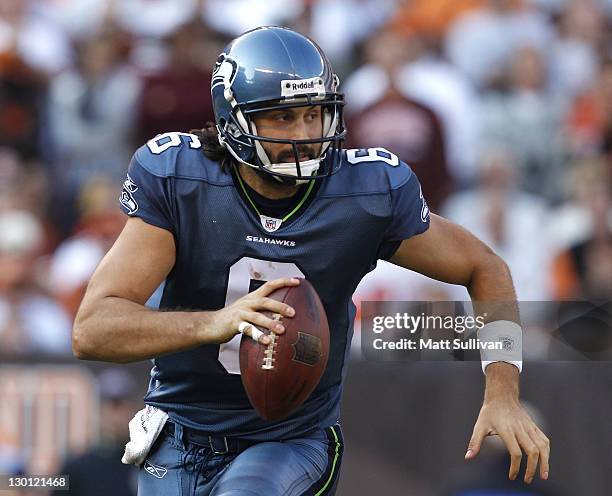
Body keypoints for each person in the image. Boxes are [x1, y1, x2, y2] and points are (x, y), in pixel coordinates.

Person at [73, 26, 550, 495]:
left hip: (289, 440)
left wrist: (503, 391)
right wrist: (215, 323)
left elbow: (485, 267)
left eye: (314, 114)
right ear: (233, 120)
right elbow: (93, 328)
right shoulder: (182, 181)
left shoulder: (365, 192)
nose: (304, 134)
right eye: (282, 118)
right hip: (177, 434)